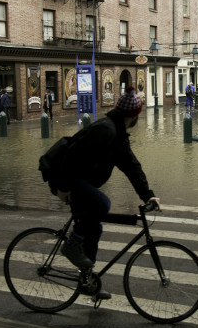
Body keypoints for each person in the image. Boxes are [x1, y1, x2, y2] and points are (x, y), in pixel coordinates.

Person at [56, 85, 161, 301]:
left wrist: (148, 195)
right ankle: (72, 245)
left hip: (77, 181)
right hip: (64, 179)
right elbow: (71, 155)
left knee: (94, 230)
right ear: (134, 116)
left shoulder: (117, 135)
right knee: (102, 203)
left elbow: (132, 167)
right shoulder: (106, 130)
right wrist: (63, 187)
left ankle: (88, 283)